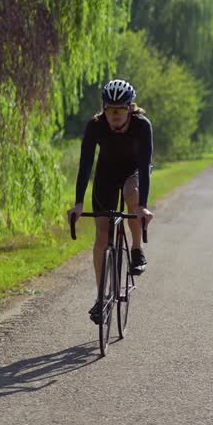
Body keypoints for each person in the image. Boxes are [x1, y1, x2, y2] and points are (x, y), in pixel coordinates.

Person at [67, 79, 155, 324]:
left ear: (130, 108)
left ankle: (136, 249)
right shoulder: (95, 126)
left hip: (134, 171)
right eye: (110, 110)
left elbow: (146, 164)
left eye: (120, 110)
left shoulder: (142, 126)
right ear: (103, 108)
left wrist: (142, 206)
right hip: (106, 172)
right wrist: (78, 203)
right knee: (101, 236)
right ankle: (100, 298)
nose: (115, 115)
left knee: (131, 193)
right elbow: (85, 165)